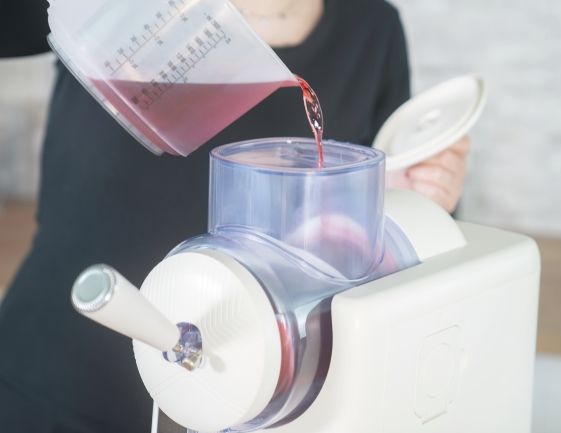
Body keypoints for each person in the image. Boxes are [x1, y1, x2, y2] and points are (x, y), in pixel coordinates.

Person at [0, 0, 469, 432]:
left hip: (241, 396)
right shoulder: (126, 8)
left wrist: (424, 197)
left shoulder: (372, 27)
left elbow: (377, 227)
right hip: (51, 375)